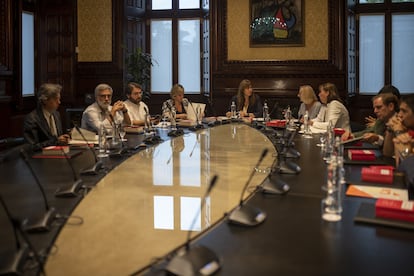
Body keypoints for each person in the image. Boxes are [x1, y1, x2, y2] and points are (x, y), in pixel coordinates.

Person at [23, 83, 70, 151]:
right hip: (40, 158)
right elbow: (32, 147)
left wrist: (64, 139)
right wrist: (55, 141)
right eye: (56, 99)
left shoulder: (56, 114)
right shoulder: (31, 119)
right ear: (45, 100)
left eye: (59, 99)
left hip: (60, 154)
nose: (59, 102)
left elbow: (59, 138)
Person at [383, 94, 414, 164]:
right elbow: (387, 154)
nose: (399, 115)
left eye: (404, 111)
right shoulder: (409, 130)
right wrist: (390, 130)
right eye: (400, 110)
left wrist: (399, 132)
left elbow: (408, 162)